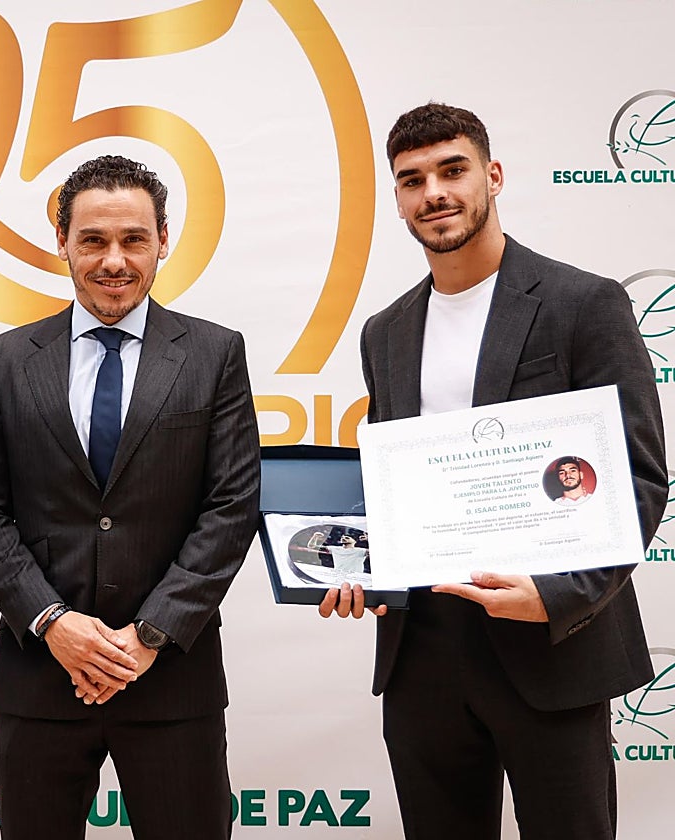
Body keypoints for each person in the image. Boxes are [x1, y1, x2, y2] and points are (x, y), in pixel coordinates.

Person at [320, 103, 666, 839]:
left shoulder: (584, 303)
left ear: (493, 176)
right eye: (412, 180)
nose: (434, 193)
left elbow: (638, 479)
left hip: (551, 645)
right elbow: (395, 487)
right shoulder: (385, 331)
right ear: (399, 199)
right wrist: (356, 568)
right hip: (423, 654)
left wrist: (555, 595)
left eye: (452, 170)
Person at [0, 155, 260, 840]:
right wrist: (53, 622)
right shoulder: (6, 360)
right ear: (62, 241)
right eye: (92, 240)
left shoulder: (216, 355)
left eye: (133, 240)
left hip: (172, 678)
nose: (113, 260)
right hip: (41, 676)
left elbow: (231, 508)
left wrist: (147, 636)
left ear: (163, 240)